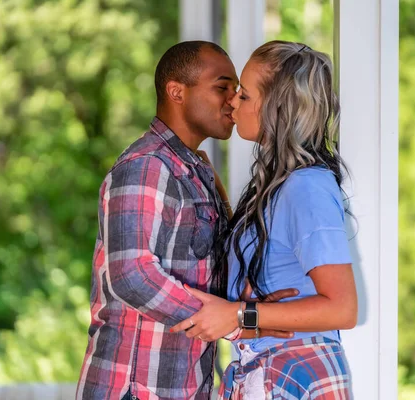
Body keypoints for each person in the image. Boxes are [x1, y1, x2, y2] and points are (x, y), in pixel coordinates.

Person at [76, 40, 296, 400]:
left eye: (238, 91)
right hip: (134, 389)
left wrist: (254, 309)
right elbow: (132, 275)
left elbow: (210, 275)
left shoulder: (195, 170)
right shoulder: (147, 166)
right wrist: (238, 321)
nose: (233, 99)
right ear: (176, 91)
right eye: (221, 87)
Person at [170, 41, 358, 399]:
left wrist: (242, 315)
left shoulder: (307, 188)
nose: (232, 102)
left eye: (244, 95)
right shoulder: (279, 186)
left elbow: (342, 308)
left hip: (295, 371)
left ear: (276, 109)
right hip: (265, 369)